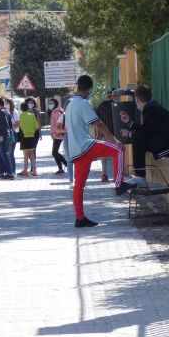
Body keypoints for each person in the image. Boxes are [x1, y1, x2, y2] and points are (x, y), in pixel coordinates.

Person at [66, 75, 136, 227]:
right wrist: (114, 140)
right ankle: (119, 184)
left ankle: (80, 218)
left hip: (75, 150)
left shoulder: (70, 104)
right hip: (85, 145)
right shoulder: (83, 104)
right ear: (89, 89)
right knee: (118, 149)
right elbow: (99, 124)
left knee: (79, 185)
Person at [120, 85, 169, 187]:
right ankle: (140, 177)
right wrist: (129, 122)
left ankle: (141, 178)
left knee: (137, 139)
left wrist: (130, 133)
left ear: (137, 99)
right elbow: (146, 129)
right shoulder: (152, 107)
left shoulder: (150, 109)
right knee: (138, 139)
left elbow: (146, 131)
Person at [95, 90, 115, 183]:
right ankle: (116, 175)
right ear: (113, 96)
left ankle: (104, 175)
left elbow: (97, 122)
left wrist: (98, 134)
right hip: (113, 135)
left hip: (103, 134)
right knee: (115, 154)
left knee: (104, 156)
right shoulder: (116, 106)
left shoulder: (100, 106)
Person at [0, 97, 15, 179]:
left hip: (2, 135)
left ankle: (10, 173)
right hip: (6, 134)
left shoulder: (0, 112)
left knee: (3, 155)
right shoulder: (6, 111)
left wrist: (1, 134)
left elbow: (4, 124)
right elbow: (9, 123)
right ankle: (1, 173)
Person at [18, 101, 39, 176]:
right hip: (31, 137)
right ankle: (34, 170)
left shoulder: (20, 116)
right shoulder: (32, 115)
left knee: (25, 155)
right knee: (32, 154)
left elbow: (19, 126)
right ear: (27, 108)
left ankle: (25, 170)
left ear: (21, 109)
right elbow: (36, 127)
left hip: (24, 136)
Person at [48, 99, 67, 174]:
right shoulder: (53, 112)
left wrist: (57, 132)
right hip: (56, 134)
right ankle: (61, 168)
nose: (50, 105)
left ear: (55, 104)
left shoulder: (56, 113)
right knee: (55, 152)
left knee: (54, 152)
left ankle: (65, 165)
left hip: (58, 134)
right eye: (49, 103)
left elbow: (60, 123)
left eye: (52, 103)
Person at [6, 98, 19, 175]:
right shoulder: (4, 112)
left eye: (7, 103)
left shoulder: (15, 112)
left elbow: (18, 124)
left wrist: (9, 125)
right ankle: (8, 171)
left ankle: (13, 171)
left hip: (13, 133)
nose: (6, 104)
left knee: (10, 153)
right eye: (5, 103)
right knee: (6, 153)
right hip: (6, 133)